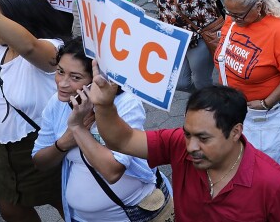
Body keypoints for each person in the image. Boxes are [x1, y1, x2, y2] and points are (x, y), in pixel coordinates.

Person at [87, 81, 280, 221]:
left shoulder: (275, 185)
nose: (191, 146)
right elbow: (123, 141)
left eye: (204, 138)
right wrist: (105, 106)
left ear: (235, 132)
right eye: (187, 134)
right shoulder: (178, 144)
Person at [31, 39, 174, 222]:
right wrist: (64, 142)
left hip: (136, 214)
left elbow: (112, 171)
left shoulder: (125, 104)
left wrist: (77, 128)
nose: (62, 84)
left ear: (98, 80)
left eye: (75, 77)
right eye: (60, 72)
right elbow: (39, 161)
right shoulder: (56, 104)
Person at [0, 0, 69, 221]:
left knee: (69, 207)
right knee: (11, 210)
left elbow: (29, 47)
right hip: (5, 151)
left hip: (44, 145)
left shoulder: (51, 48)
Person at [216, 0, 280, 170]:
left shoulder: (278, 31)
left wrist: (266, 103)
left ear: (258, 5)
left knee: (276, 160)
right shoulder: (232, 20)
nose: (233, 19)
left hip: (266, 114)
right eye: (229, 13)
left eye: (239, 14)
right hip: (237, 109)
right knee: (247, 158)